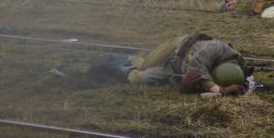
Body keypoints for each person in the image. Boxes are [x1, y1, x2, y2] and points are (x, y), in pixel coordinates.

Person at [91, 33, 251, 96]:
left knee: (141, 78)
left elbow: (195, 85)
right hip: (177, 48)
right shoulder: (217, 49)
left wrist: (184, 86)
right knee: (145, 64)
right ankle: (121, 58)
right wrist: (221, 90)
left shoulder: (237, 72)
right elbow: (197, 66)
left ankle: (112, 68)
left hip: (175, 67)